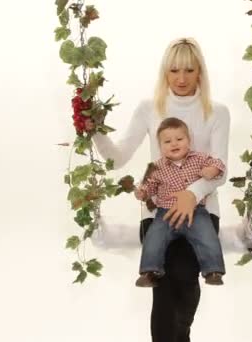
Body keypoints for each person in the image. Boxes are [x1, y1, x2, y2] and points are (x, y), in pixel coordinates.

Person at [87, 37, 231, 342]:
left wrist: (192, 193)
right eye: (174, 70)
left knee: (186, 275)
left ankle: (180, 335)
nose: (181, 79)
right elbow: (118, 158)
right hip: (160, 212)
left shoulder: (217, 112)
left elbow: (219, 169)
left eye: (189, 70)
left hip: (203, 211)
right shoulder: (149, 109)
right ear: (165, 73)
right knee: (163, 282)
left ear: (200, 74)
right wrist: (95, 130)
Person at [134, 117, 226, 287]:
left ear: (189, 141)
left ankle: (213, 270)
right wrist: (142, 192)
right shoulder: (156, 167)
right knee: (154, 237)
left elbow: (219, 165)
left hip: (195, 211)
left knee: (207, 235)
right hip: (166, 213)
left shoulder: (199, 158)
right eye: (167, 141)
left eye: (179, 139)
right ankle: (150, 271)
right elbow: (149, 186)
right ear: (160, 147)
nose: (174, 144)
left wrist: (211, 170)